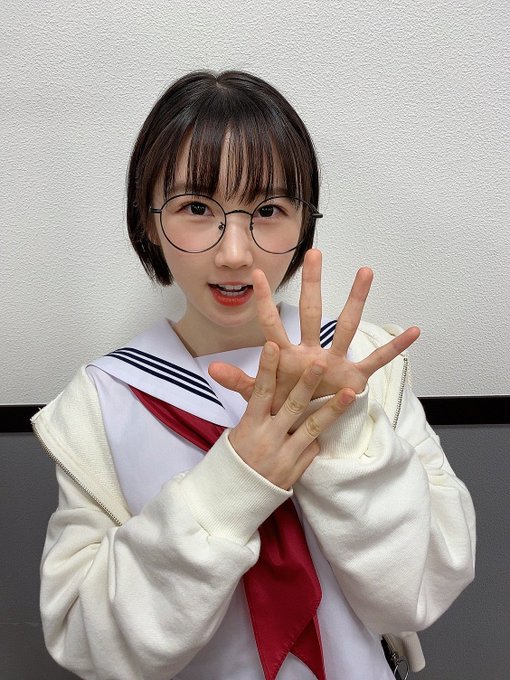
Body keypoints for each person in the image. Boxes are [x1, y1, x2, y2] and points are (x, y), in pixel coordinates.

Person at [32, 70, 476, 680]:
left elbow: (419, 594)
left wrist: (345, 429)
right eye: (196, 208)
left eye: (268, 210)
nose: (235, 253)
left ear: (304, 221)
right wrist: (231, 487)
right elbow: (88, 642)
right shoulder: (100, 404)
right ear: (148, 219)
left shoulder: (370, 365)